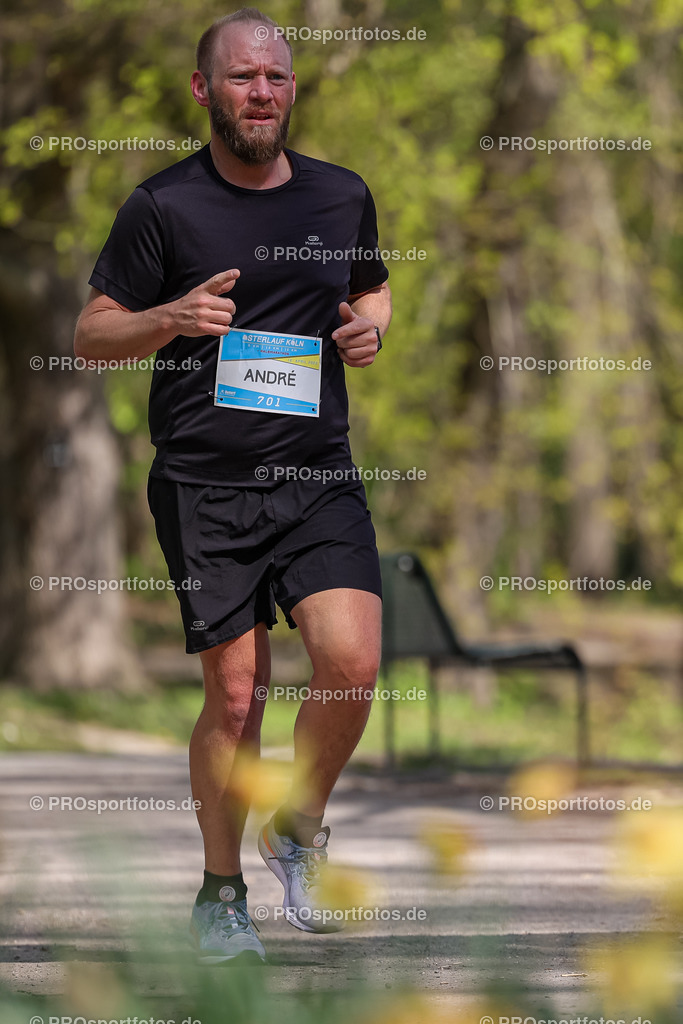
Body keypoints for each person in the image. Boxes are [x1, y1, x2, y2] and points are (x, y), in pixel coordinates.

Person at [75, 6, 391, 965]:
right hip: (204, 484)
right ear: (204, 90)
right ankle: (220, 895)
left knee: (353, 664)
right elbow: (91, 337)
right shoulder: (162, 207)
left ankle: (296, 828)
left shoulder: (340, 195)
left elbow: (369, 284)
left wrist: (370, 326)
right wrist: (168, 316)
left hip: (315, 473)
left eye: (278, 78)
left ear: (293, 88)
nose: (263, 93)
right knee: (237, 695)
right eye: (244, 79)